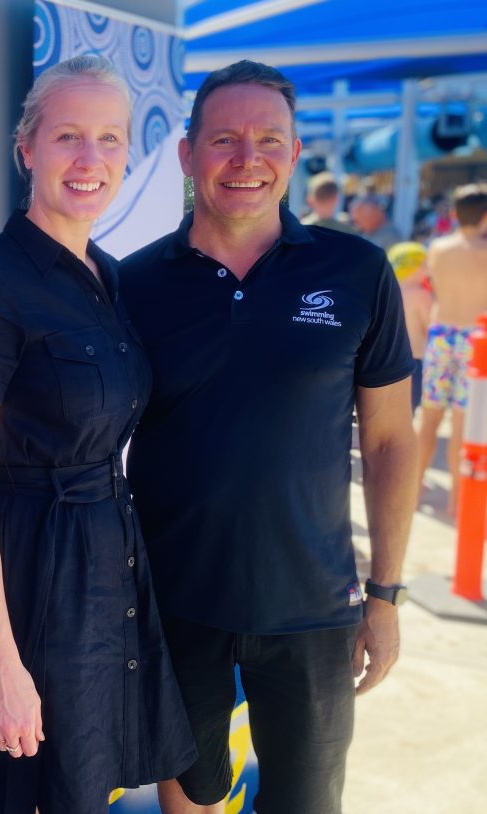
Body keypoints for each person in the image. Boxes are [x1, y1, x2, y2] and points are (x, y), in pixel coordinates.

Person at [120, 60, 417, 814]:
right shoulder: (134, 283)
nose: (247, 158)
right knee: (191, 798)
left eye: (269, 140)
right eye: (224, 139)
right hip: (174, 600)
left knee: (306, 803)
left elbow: (389, 441)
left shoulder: (356, 270)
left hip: (313, 604)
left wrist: (384, 594)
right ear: (188, 155)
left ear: (294, 152)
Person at [0, 55, 194, 813]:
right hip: (35, 582)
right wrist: (1, 664)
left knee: (87, 778)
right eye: (69, 135)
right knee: (37, 789)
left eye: (110, 139)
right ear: (27, 147)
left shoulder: (106, 277)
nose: (91, 159)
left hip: (109, 568)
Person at [416, 183, 487, 515]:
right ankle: (457, 504)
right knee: (464, 424)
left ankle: (412, 491)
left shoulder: (438, 248)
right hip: (475, 340)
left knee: (428, 419)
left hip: (441, 333)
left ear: (456, 214)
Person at [386, 241, 433, 413]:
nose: (428, 270)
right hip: (414, 359)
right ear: (414, 267)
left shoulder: (388, 289)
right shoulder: (421, 295)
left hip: (388, 357)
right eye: (425, 264)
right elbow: (429, 327)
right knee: (408, 409)